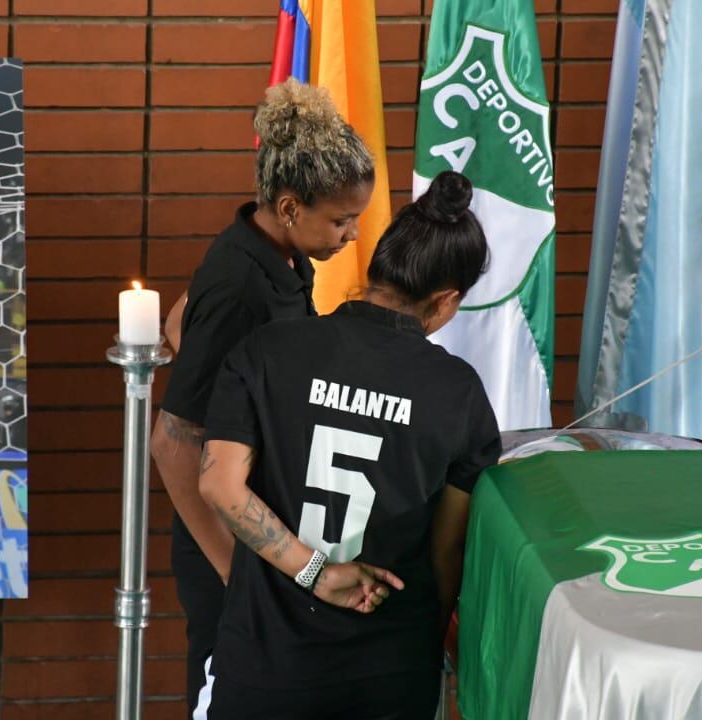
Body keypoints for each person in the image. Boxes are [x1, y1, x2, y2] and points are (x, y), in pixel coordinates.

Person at [197, 171, 502, 720]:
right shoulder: (459, 393)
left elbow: (219, 484)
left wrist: (315, 572)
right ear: (446, 300)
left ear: (376, 267)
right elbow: (446, 557)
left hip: (265, 668)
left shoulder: (267, 349)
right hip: (388, 675)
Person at [149, 78, 376, 715]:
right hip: (226, 549)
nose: (353, 234)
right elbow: (171, 446)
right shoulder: (241, 286)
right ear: (290, 207)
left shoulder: (275, 252)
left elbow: (180, 319)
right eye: (341, 220)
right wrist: (234, 570)